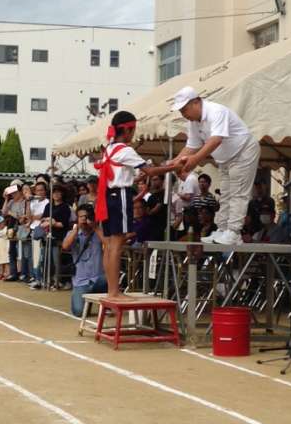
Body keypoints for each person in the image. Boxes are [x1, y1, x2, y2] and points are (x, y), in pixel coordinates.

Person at [94, 110, 179, 299]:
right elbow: (150, 171)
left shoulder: (109, 148)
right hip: (120, 196)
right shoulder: (125, 150)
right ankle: (114, 291)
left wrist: (134, 178)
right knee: (117, 244)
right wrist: (174, 166)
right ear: (127, 130)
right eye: (133, 130)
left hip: (108, 196)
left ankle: (111, 289)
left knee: (109, 244)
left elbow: (118, 175)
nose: (133, 134)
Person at [172, 86, 260, 246]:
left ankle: (234, 232)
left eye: (184, 109)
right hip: (225, 158)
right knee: (226, 193)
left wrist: (194, 160)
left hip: (243, 151)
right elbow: (192, 145)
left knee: (238, 193)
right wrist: (175, 162)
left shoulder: (216, 111)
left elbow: (216, 140)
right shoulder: (193, 122)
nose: (183, 114)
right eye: (181, 111)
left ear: (196, 102)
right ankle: (223, 228)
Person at [62, 204, 107, 316]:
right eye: (81, 217)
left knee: (107, 279)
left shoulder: (99, 232)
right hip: (81, 281)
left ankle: (105, 305)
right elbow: (65, 246)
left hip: (98, 278)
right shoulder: (73, 233)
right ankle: (86, 301)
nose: (84, 219)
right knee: (78, 311)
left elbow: (108, 244)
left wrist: (95, 227)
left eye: (86, 216)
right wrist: (76, 230)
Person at [146, 175, 168, 241]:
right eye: (152, 180)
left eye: (155, 179)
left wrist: (149, 212)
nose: (153, 182)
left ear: (162, 181)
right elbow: (147, 210)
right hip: (151, 227)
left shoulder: (165, 194)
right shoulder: (151, 196)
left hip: (162, 226)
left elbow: (156, 209)